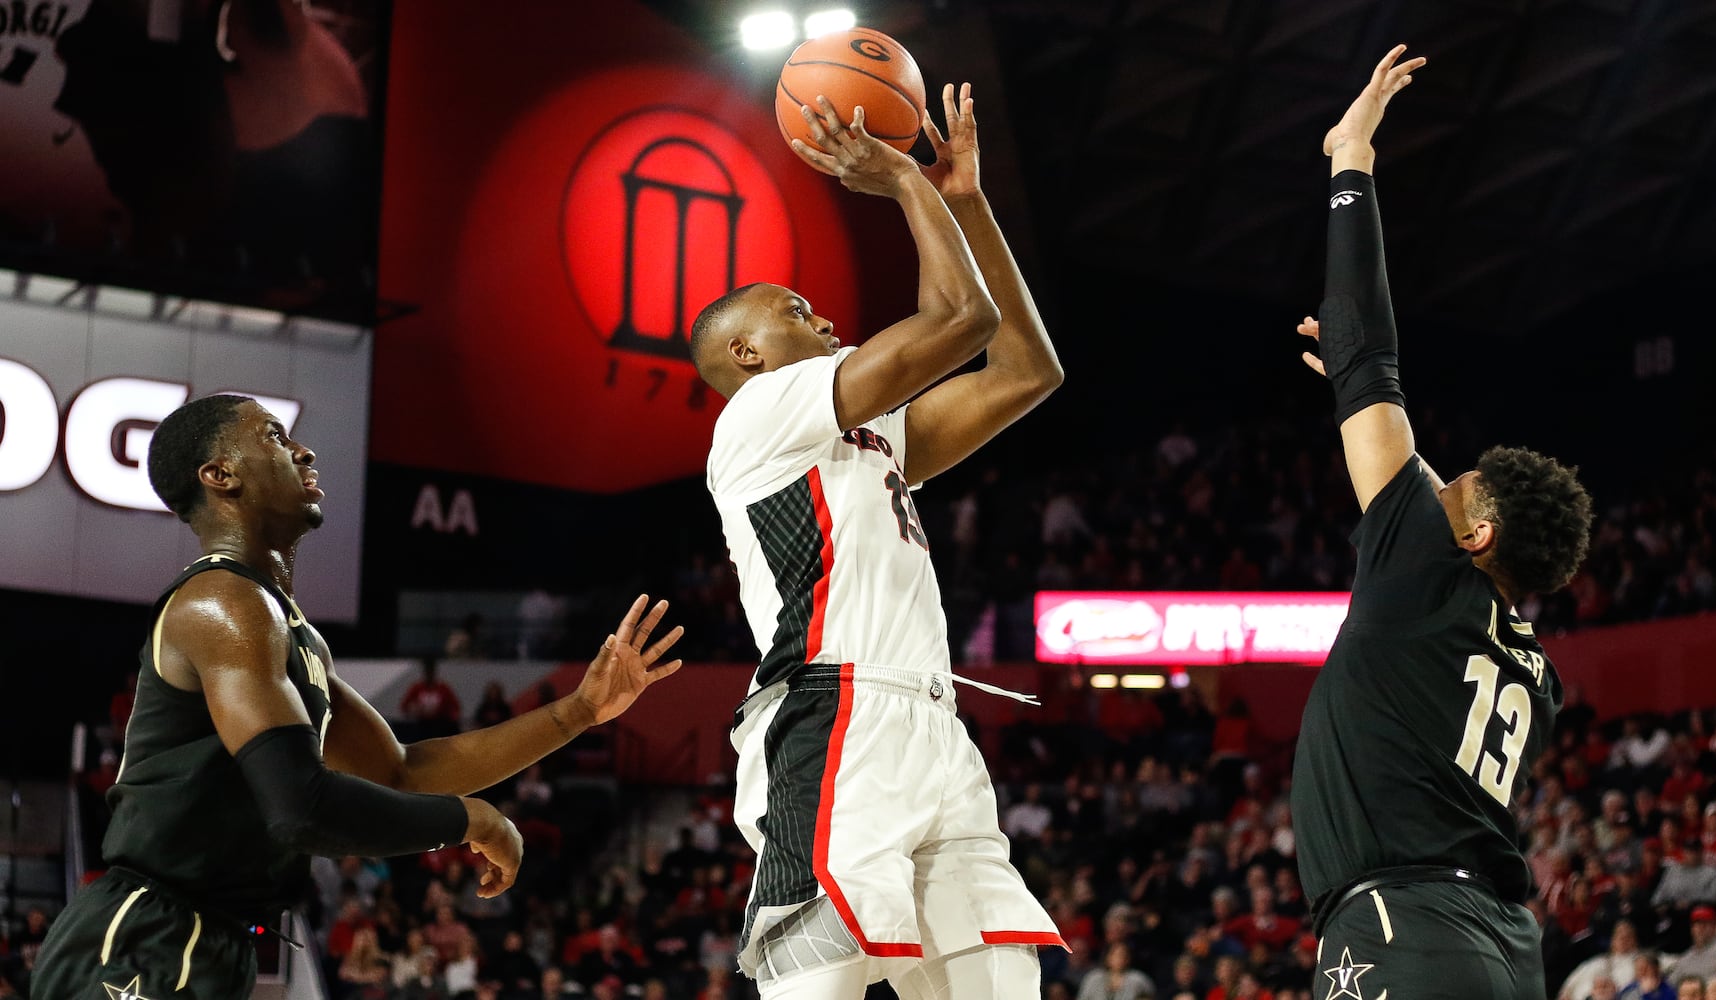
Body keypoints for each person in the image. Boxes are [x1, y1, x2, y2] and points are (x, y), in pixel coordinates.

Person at [29, 394, 685, 1000]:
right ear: (219, 475)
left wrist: (579, 712)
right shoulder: (221, 602)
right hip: (147, 932)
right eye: (275, 436)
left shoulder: (291, 631)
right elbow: (299, 806)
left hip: (213, 939)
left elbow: (403, 772)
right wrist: (472, 820)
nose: (303, 451)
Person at [692, 84, 1065, 998]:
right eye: (795, 310)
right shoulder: (760, 414)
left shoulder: (868, 435)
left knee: (1001, 983)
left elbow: (1027, 369)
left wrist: (967, 206)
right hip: (834, 713)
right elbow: (958, 323)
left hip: (932, 723)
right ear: (745, 353)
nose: (823, 319)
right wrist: (905, 180)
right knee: (819, 984)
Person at [1288, 47, 1594, 1000]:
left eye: (1452, 486)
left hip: (1405, 926)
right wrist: (1351, 386)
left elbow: (1371, 349)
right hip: (1501, 946)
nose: (1431, 481)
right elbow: (1377, 411)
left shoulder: (1426, 566)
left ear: (1477, 535)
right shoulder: (1530, 669)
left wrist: (1352, 161)